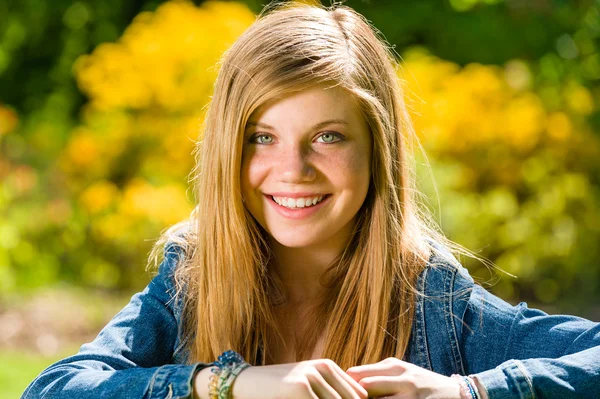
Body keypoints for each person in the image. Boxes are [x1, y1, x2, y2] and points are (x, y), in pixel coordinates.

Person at [22, 2, 600, 399]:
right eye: (262, 137)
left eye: (328, 136)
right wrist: (227, 384)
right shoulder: (191, 282)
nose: (292, 170)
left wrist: (463, 389)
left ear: (377, 151)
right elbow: (53, 389)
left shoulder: (434, 304)